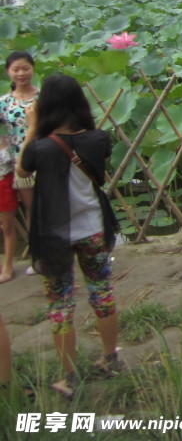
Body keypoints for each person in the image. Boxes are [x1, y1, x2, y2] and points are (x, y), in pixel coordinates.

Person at [17, 74, 120, 397]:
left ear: (45, 105)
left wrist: (33, 127)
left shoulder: (41, 148)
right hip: (93, 230)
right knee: (101, 293)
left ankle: (69, 377)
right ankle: (110, 358)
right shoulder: (99, 139)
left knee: (60, 305)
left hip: (55, 237)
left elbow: (22, 171)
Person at [0, 51, 39, 283]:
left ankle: (37, 256)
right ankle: (11, 264)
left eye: (25, 68)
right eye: (16, 69)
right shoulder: (3, 102)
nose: (21, 73)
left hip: (40, 159)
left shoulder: (42, 97)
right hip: (15, 161)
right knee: (22, 211)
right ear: (8, 72)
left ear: (33, 69)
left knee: (36, 209)